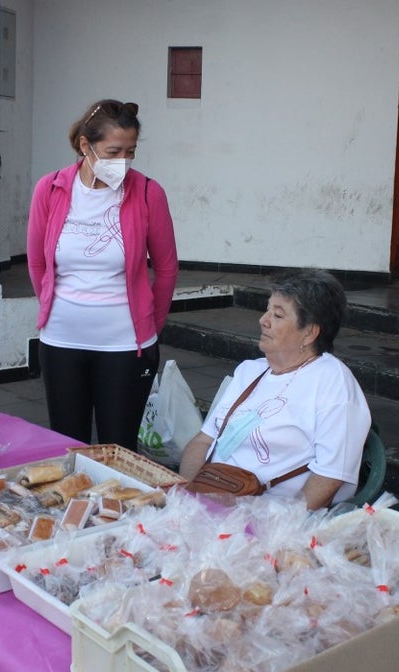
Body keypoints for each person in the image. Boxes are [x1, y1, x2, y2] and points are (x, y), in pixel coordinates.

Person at [27, 99, 179, 451]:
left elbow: (166, 268)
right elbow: (37, 264)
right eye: (113, 152)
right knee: (68, 446)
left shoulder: (147, 192)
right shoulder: (50, 189)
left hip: (125, 344)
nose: (122, 161)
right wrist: (51, 305)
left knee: (119, 448)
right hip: (61, 340)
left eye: (130, 152)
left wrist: (149, 325)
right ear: (86, 145)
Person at [179, 269, 371, 510]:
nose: (264, 320)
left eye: (278, 315)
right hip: (209, 499)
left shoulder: (333, 383)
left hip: (270, 516)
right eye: (267, 310)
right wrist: (186, 496)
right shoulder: (249, 371)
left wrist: (272, 524)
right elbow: (203, 441)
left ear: (309, 333)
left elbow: (329, 478)